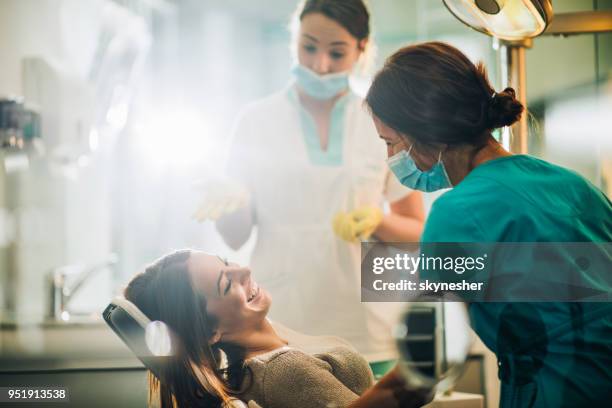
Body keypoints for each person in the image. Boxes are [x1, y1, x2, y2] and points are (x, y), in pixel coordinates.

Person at [365, 41, 612, 407]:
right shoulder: (572, 184)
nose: (390, 157)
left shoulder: (457, 214)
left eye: (389, 142)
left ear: (424, 134)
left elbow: (420, 374)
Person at [196, 0, 424, 357]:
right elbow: (235, 237)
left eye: (336, 52)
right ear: (295, 41)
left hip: (366, 326)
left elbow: (416, 231)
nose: (320, 65)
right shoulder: (256, 121)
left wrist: (379, 221)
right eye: (309, 47)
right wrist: (234, 202)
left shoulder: (380, 122)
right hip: (281, 322)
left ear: (362, 49)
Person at [124, 249, 429, 408]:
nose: (245, 270)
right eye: (227, 283)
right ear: (210, 333)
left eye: (228, 262)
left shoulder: (262, 351)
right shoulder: (283, 371)